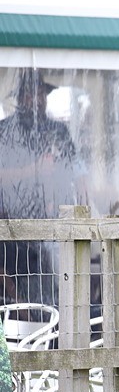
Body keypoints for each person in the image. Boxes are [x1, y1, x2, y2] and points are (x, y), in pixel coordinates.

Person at [0, 70, 88, 308]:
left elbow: (78, 172)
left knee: (54, 293)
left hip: (52, 229)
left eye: (41, 94)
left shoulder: (58, 132)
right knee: (14, 299)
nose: (37, 100)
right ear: (20, 99)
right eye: (31, 94)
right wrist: (33, 171)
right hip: (9, 231)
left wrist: (83, 201)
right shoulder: (4, 132)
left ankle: (52, 337)